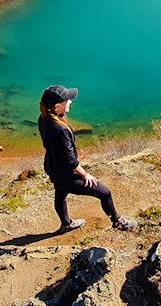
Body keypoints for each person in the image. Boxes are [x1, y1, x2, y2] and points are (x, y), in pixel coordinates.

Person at [38, 84, 136, 233]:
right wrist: (84, 174)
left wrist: (69, 150)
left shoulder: (43, 119)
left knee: (60, 195)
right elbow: (70, 160)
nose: (70, 101)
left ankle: (66, 224)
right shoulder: (60, 129)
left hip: (53, 168)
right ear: (57, 107)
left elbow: (55, 145)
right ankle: (117, 221)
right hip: (66, 174)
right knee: (105, 193)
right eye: (67, 100)